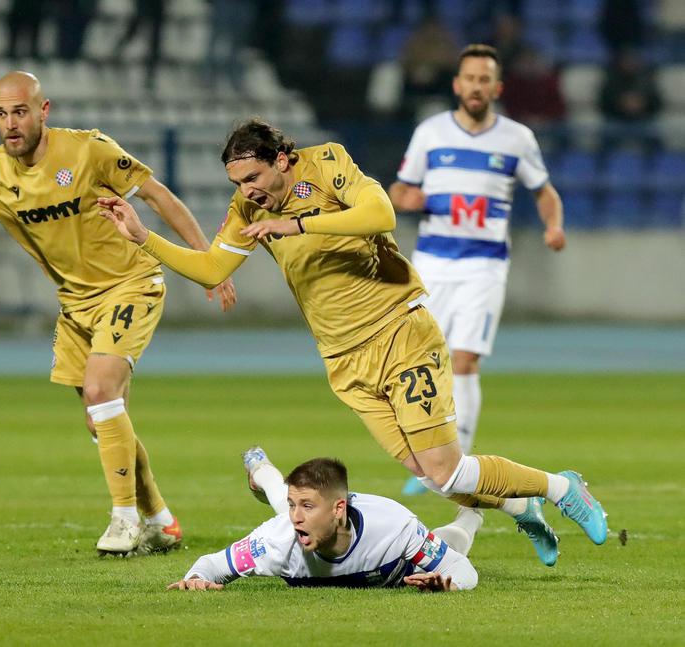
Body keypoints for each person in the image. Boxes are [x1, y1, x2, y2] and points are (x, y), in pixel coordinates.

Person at [98, 117, 608, 569]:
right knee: (431, 475)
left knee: (443, 468)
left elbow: (380, 212)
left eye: (253, 178)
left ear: (281, 160)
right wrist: (145, 237)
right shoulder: (248, 210)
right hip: (343, 359)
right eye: (237, 183)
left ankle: (562, 488)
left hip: (398, 331)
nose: (247, 191)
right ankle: (519, 504)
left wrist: (295, 223)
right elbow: (212, 267)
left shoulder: (327, 164)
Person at [0, 71, 237, 555]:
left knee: (100, 390)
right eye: (0, 114)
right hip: (75, 305)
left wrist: (208, 261)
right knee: (103, 418)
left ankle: (124, 521)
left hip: (130, 284)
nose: (10, 124)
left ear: (43, 110)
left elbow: (157, 194)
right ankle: (160, 518)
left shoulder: (88, 150)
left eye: (19, 112)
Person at [388, 44, 566, 502]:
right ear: (457, 84)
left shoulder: (516, 138)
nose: (476, 86)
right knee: (428, 361)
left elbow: (544, 191)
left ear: (496, 88)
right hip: (431, 263)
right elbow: (400, 190)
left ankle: (456, 461)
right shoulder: (431, 133)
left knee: (465, 360)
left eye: (485, 79)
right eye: (469, 78)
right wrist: (413, 200)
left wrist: (554, 226)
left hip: (484, 266)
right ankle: (431, 459)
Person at [168, 451, 480, 592]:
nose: (296, 517)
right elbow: (211, 565)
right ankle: (261, 468)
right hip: (320, 523)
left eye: (305, 506)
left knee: (453, 542)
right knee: (283, 504)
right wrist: (195, 578)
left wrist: (448, 584)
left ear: (338, 508)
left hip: (395, 551)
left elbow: (461, 569)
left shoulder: (395, 527)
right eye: (295, 506)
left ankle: (472, 513)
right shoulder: (277, 540)